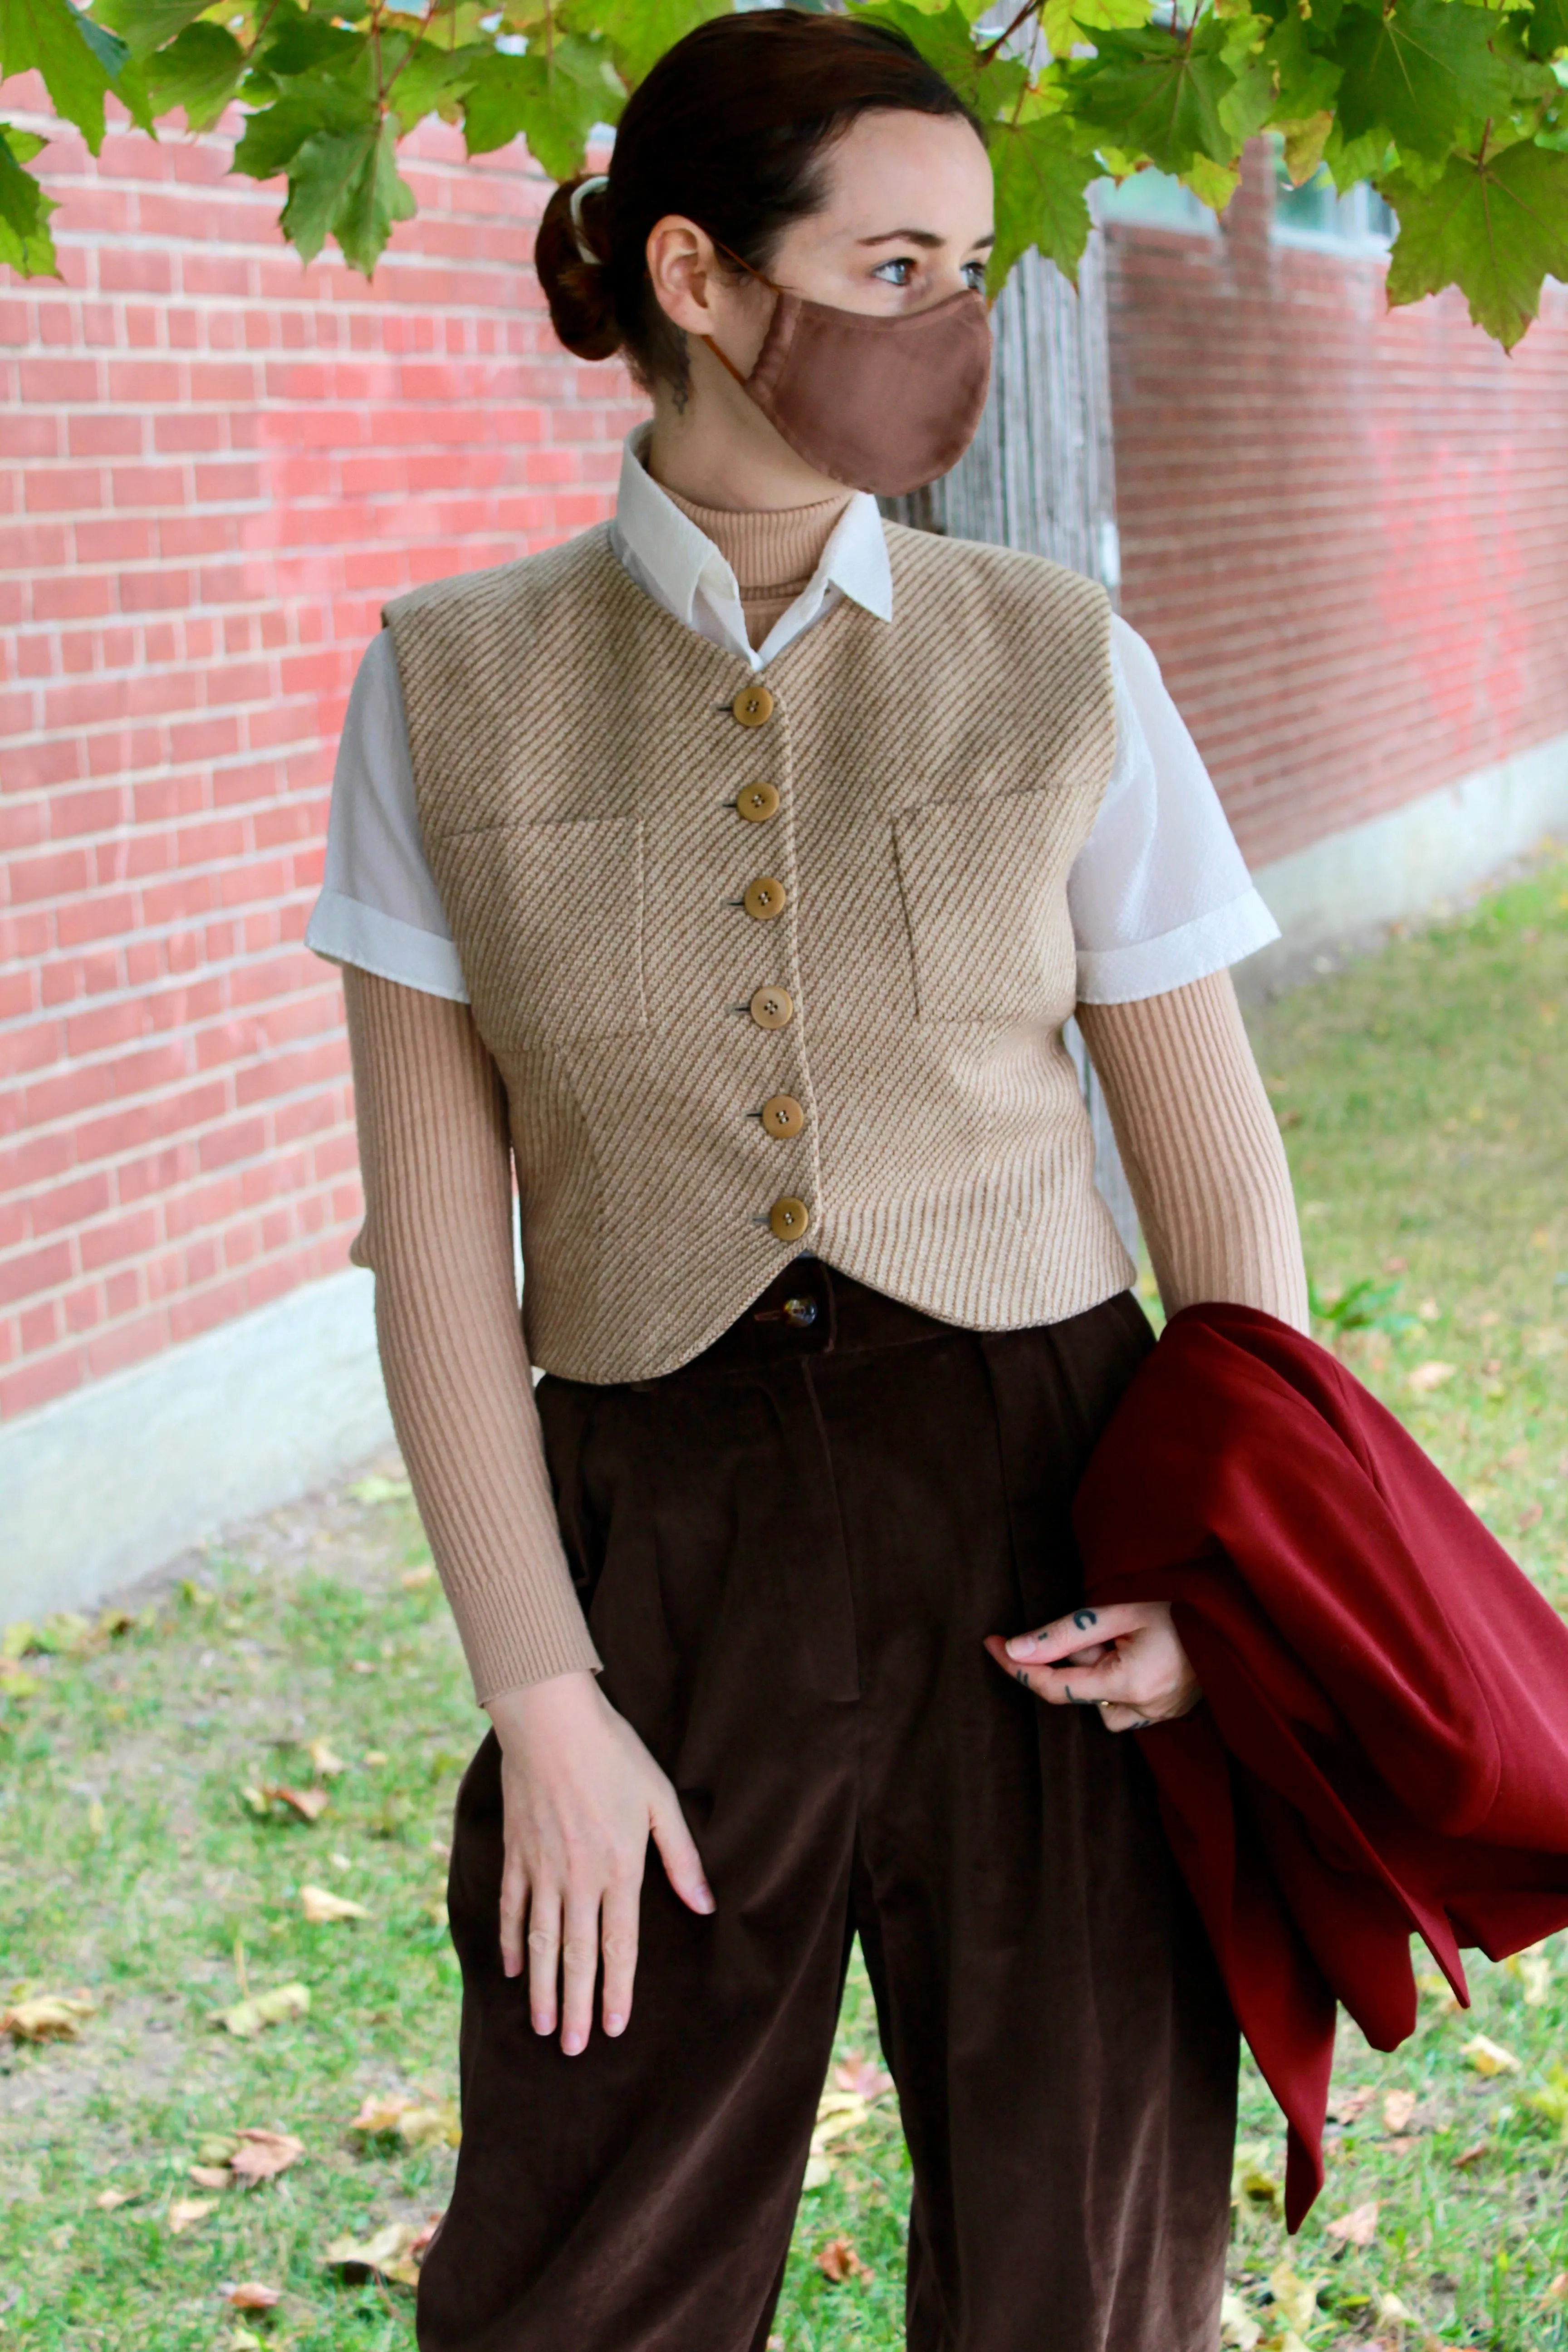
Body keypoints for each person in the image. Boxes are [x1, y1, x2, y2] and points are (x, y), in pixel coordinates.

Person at [305, 12, 1309, 2347]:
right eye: (889, 264)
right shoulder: (446, 686)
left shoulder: (1057, 658)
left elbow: (1222, 1186)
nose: (944, 325)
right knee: (589, 2275)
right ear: (696, 273)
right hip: (657, 1544)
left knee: (1083, 2264)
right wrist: (541, 1696)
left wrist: (1224, 1589)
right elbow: (440, 1257)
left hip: (1048, 1524)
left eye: (965, 266)